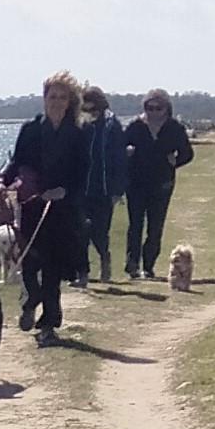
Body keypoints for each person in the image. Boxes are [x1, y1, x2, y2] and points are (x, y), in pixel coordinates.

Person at [0, 71, 85, 342]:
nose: (57, 102)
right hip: (32, 205)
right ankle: (29, 300)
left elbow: (84, 173)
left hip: (62, 210)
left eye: (62, 97)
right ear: (44, 98)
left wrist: (65, 191)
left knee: (53, 268)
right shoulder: (31, 130)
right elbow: (16, 163)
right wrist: (2, 183)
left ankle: (49, 323)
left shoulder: (79, 134)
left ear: (70, 101)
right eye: (52, 96)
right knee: (30, 261)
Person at [122, 90, 193, 278]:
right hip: (136, 182)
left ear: (166, 108)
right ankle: (132, 265)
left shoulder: (174, 128)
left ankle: (149, 265)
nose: (153, 112)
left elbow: (187, 153)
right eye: (149, 107)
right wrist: (127, 153)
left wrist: (175, 161)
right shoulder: (135, 126)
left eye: (158, 108)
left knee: (155, 226)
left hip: (162, 183)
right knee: (135, 224)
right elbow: (120, 148)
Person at [73, 82, 129, 284]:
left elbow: (119, 159)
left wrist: (118, 190)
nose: (89, 112)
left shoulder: (111, 125)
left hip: (103, 189)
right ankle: (82, 273)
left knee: (99, 232)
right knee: (79, 231)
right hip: (81, 188)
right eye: (84, 109)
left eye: (92, 108)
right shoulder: (78, 124)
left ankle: (105, 259)